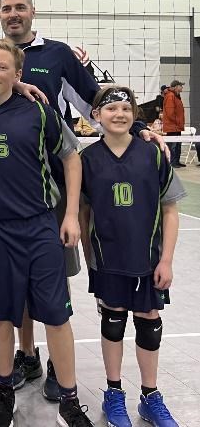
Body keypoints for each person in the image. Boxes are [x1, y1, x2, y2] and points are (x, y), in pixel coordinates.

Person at [0, 0, 165, 398]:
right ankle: (27, 354)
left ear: (33, 12)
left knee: (55, 276)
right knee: (13, 281)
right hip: (4, 193)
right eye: (6, 9)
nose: (13, 14)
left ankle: (59, 364)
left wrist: (141, 125)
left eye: (20, 7)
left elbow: (100, 100)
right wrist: (14, 84)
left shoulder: (58, 56)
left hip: (51, 190)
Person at [0, 39, 93, 427]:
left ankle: (69, 400)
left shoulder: (38, 112)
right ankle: (4, 392)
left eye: (2, 68)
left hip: (41, 225)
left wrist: (72, 216)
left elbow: (71, 155)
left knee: (56, 316)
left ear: (18, 71)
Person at [80, 85, 186, 427]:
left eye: (126, 109)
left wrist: (167, 260)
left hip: (148, 258)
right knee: (113, 321)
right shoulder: (87, 160)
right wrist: (88, 255)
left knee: (149, 321)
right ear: (96, 116)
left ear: (134, 115)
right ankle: (114, 393)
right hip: (108, 258)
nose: (119, 114)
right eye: (111, 109)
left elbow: (170, 209)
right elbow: (83, 212)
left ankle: (150, 396)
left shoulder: (153, 154)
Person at [162, 80, 185, 168]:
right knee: (173, 145)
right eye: (181, 86)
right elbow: (170, 112)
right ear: (176, 87)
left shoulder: (176, 96)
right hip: (172, 126)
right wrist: (178, 122)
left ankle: (176, 161)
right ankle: (171, 162)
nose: (182, 87)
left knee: (178, 144)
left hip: (177, 126)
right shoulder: (170, 96)